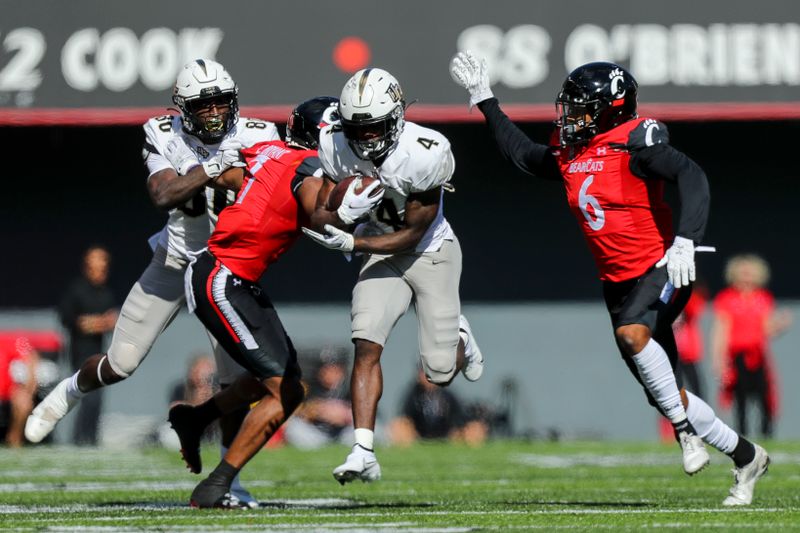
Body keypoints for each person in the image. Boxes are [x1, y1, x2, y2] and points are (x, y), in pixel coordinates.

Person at [450, 52, 768, 506]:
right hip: (617, 281)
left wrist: (686, 240)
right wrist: (485, 100)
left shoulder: (635, 139)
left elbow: (691, 175)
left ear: (611, 107)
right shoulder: (570, 149)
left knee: (632, 333)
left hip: (662, 266)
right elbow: (522, 154)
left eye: (581, 106)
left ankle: (684, 433)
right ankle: (746, 456)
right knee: (664, 390)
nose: (571, 115)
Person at [26, 59, 278, 506]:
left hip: (227, 268)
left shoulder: (260, 134)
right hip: (176, 260)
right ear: (183, 109)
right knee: (120, 363)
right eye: (205, 105)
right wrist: (215, 166)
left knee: (235, 380)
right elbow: (164, 193)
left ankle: (229, 480)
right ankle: (69, 390)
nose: (216, 113)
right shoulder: (163, 132)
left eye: (222, 101)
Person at [168, 96, 360, 508]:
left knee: (272, 378)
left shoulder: (268, 150)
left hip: (231, 278)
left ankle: (196, 418)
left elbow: (232, 177)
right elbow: (319, 216)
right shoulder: (308, 166)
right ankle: (215, 487)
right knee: (287, 391)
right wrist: (347, 211)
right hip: (222, 278)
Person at [302, 67, 484, 485]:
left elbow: (413, 232)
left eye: (375, 127)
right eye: (357, 129)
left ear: (398, 117)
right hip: (377, 247)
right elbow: (319, 212)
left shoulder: (426, 152)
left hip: (430, 250)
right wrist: (341, 215)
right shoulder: (333, 142)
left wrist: (354, 244)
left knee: (439, 371)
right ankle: (363, 449)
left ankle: (459, 335)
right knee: (366, 341)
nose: (365, 138)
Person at [712, 254, 792, 438]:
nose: (746, 277)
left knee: (765, 396)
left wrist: (780, 325)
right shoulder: (726, 298)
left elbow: (767, 329)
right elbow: (721, 331)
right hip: (737, 356)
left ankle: (767, 434)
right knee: (740, 397)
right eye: (742, 273)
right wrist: (718, 359)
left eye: (750, 273)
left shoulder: (763, 298)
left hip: (758, 355)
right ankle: (742, 435)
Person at [58, 245, 117, 445]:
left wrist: (95, 323)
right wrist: (96, 323)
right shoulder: (77, 290)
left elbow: (112, 321)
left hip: (100, 354)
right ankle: (80, 440)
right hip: (80, 354)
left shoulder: (106, 294)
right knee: (87, 396)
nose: (101, 270)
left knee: (96, 399)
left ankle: (91, 439)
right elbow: (71, 320)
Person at [389, 367, 488, 447]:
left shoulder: (447, 394)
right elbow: (404, 418)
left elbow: (461, 417)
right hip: (418, 437)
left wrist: (459, 431)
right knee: (398, 426)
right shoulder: (413, 394)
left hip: (447, 437)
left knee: (475, 428)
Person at [283, 349, 353, 450]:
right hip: (316, 433)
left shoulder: (350, 388)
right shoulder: (309, 387)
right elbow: (295, 412)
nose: (331, 373)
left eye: (335, 369)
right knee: (294, 427)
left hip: (343, 433)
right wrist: (319, 411)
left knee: (367, 428)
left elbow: (368, 412)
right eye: (327, 369)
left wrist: (345, 414)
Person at [0, 333, 38, 447]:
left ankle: (14, 438)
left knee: (23, 402)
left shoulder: (8, 342)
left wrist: (28, 390)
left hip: (8, 389)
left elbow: (31, 358)